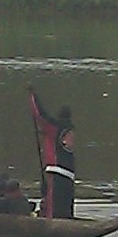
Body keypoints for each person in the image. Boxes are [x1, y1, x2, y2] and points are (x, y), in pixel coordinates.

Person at [28, 86, 76, 219]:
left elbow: (40, 115)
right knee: (65, 203)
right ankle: (67, 219)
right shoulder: (69, 129)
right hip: (70, 173)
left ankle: (53, 221)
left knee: (52, 203)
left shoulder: (55, 127)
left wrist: (33, 95)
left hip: (56, 171)